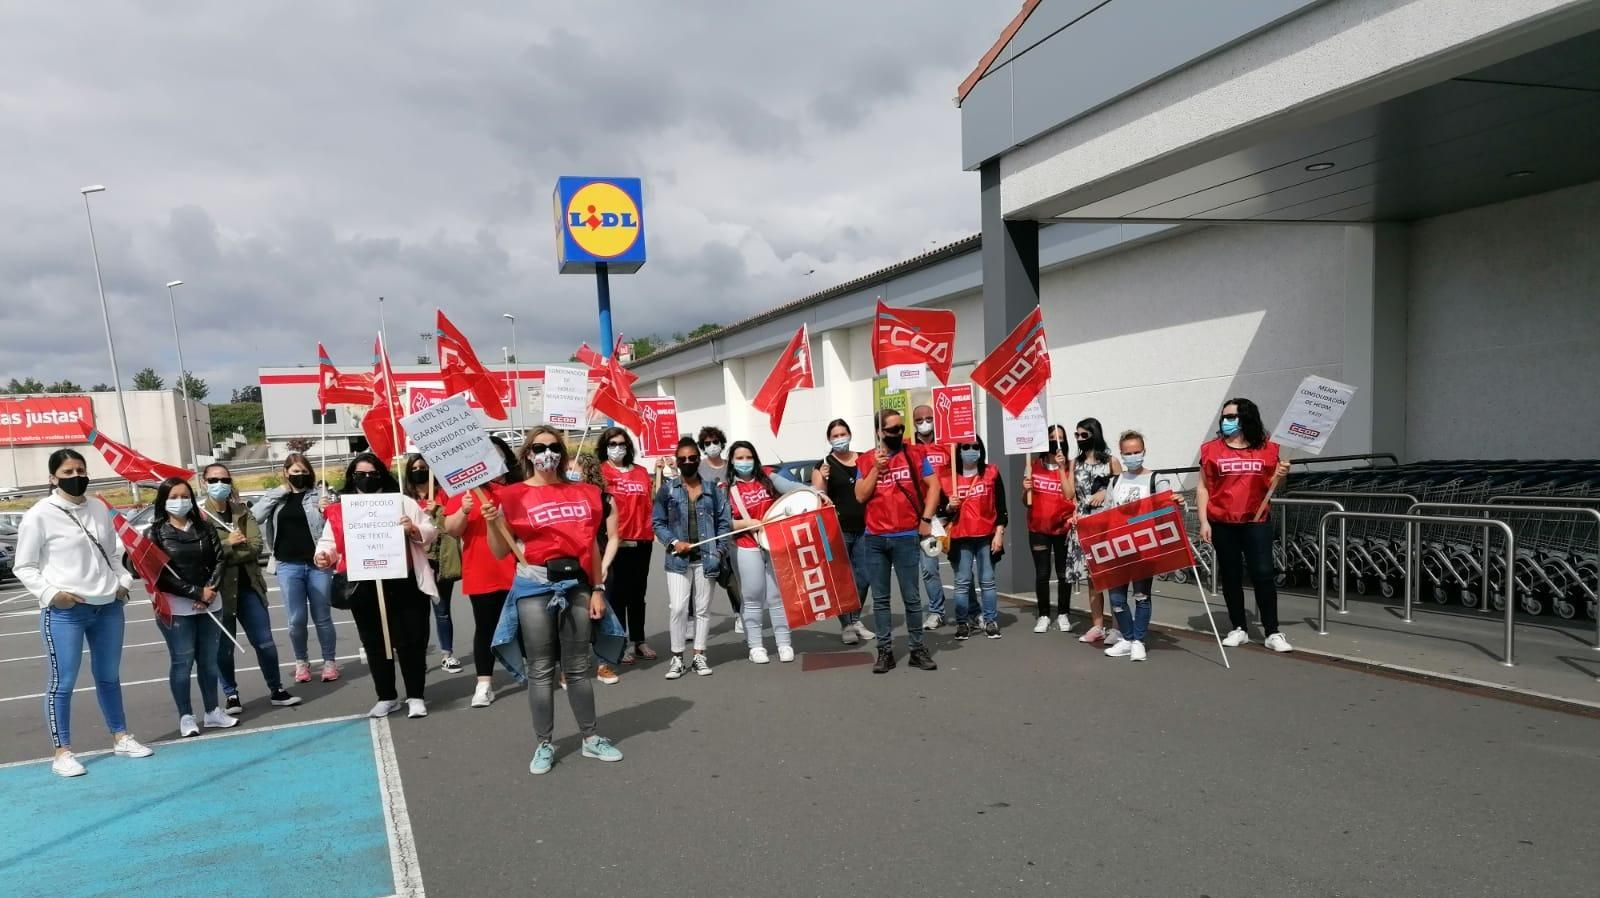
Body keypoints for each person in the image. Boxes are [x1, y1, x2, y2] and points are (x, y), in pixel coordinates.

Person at [485, 426, 623, 775]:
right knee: (541, 670)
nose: (547, 452)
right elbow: (501, 550)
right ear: (527, 454)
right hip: (533, 586)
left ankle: (590, 738)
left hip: (575, 583)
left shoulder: (585, 492)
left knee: (578, 667)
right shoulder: (512, 495)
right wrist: (493, 523)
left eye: (553, 446)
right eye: (538, 447)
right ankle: (544, 743)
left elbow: (590, 546)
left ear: (562, 452)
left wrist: (597, 589)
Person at [14, 449, 154, 777]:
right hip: (66, 611)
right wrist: (53, 595)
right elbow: (24, 565)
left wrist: (122, 582)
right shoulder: (39, 514)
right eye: (67, 471)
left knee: (109, 676)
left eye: (80, 469)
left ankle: (121, 736)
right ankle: (62, 752)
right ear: (52, 478)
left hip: (108, 606)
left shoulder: (98, 508)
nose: (76, 476)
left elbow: (115, 551)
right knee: (62, 683)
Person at [315, 454, 439, 719]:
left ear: (382, 474)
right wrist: (323, 555)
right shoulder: (341, 511)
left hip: (405, 582)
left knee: (412, 640)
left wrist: (414, 529)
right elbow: (329, 543)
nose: (367, 479)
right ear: (351, 478)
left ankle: (416, 695)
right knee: (375, 642)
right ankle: (387, 696)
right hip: (363, 585)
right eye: (360, 474)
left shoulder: (403, 503)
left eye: (372, 474)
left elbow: (431, 530)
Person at [200, 463, 299, 713]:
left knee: (264, 642)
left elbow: (255, 547)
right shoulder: (200, 517)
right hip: (219, 591)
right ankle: (231, 694)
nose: (219, 484)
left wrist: (224, 549)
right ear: (203, 482)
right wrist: (230, 542)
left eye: (223, 479)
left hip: (249, 587)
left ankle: (276, 689)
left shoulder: (242, 512)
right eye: (213, 480)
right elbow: (203, 554)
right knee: (224, 648)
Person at [143, 476, 238, 737]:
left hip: (210, 603)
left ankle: (213, 712)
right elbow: (159, 574)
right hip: (176, 608)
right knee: (182, 661)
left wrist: (209, 591)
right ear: (163, 501)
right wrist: (194, 592)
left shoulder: (205, 527)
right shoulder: (154, 533)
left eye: (184, 496)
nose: (180, 501)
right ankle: (186, 716)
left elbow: (220, 560)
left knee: (208, 661)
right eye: (173, 497)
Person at [1198, 398, 1294, 653]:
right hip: (1222, 522)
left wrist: (1281, 476)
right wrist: (1203, 521)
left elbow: (1275, 486)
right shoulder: (1211, 450)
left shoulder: (1269, 449)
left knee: (1263, 574)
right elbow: (1203, 487)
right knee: (1230, 576)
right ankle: (1238, 627)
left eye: (1232, 416)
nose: (1226, 421)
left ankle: (1272, 631)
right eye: (1224, 416)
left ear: (1247, 418)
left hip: (1256, 521)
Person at [855, 409, 941, 674]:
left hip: (906, 535)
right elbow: (860, 495)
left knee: (912, 598)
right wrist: (875, 471)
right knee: (881, 599)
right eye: (892, 430)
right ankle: (885, 651)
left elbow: (934, 486)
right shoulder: (866, 459)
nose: (898, 434)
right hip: (876, 538)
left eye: (901, 429)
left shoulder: (915, 454)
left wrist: (926, 518)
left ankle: (916, 649)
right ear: (879, 431)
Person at [443, 437, 520, 708]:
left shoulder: (519, 488)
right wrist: (464, 511)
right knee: (486, 627)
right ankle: (484, 684)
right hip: (482, 569)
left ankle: (538, 671)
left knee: (530, 624)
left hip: (521, 567)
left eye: (496, 453)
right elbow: (452, 530)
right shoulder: (465, 491)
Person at [726, 440, 815, 664]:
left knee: (777, 596)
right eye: (739, 458)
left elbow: (795, 490)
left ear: (755, 459)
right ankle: (755, 645)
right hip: (745, 544)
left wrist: (815, 494)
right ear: (732, 461)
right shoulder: (725, 488)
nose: (744, 462)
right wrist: (745, 524)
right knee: (752, 596)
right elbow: (723, 522)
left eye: (749, 457)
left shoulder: (768, 476)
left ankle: (784, 642)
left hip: (774, 542)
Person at [254, 452, 339, 683]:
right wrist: (280, 491)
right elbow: (256, 516)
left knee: (322, 616)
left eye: (303, 472)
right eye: (295, 472)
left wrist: (327, 509)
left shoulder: (318, 496)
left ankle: (329, 661)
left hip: (317, 564)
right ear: (286, 472)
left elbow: (333, 527)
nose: (300, 476)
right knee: (296, 619)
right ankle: (302, 661)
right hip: (287, 565)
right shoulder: (276, 497)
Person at [653, 437, 731, 679]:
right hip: (678, 560)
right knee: (677, 608)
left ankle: (699, 654)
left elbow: (724, 524)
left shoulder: (712, 490)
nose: (687, 462)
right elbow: (658, 522)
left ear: (699, 459)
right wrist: (675, 542)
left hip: (707, 558)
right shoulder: (668, 490)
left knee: (703, 610)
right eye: (682, 459)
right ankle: (677, 657)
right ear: (676, 462)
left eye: (692, 458)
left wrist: (719, 551)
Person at [812, 419, 875, 645]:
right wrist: (824, 479)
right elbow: (818, 496)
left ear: (850, 434)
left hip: (866, 527)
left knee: (865, 576)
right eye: (835, 436)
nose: (840, 439)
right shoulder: (824, 464)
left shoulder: (864, 458)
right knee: (840, 579)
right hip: (838, 529)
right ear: (829, 439)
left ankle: (855, 618)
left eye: (843, 434)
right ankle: (846, 624)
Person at [599, 427, 658, 665]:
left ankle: (639, 640)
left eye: (622, 443)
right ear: (605, 447)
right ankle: (619, 642)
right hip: (615, 542)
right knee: (617, 595)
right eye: (612, 444)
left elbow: (650, 503)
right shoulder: (601, 473)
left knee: (638, 594)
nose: (617, 448)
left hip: (642, 540)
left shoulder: (642, 473)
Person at [1103, 432, 1161, 661]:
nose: (1133, 456)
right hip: (1118, 547)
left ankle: (1138, 640)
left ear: (1144, 451)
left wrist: (1177, 501)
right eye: (1128, 453)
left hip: (1144, 546)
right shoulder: (1115, 481)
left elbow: (1166, 503)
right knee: (1117, 599)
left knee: (1141, 596)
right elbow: (1106, 513)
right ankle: (1127, 637)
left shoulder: (1155, 479)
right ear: (1122, 454)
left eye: (1136, 451)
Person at [944, 437, 1008, 640]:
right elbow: (940, 510)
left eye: (975, 447)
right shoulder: (948, 477)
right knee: (962, 582)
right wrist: (949, 506)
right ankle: (963, 623)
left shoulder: (991, 472)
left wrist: (999, 533)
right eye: (966, 447)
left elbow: (1001, 507)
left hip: (987, 536)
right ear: (958, 451)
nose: (971, 450)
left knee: (987, 581)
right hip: (961, 537)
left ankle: (990, 621)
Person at [405, 454, 463, 674]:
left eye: (424, 467)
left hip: (440, 560)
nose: (419, 471)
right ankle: (417, 656)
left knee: (442, 610)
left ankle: (447, 654)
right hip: (415, 561)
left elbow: (452, 524)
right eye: (415, 467)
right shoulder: (405, 498)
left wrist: (437, 510)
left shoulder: (443, 494)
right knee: (417, 613)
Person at [1067, 418, 1123, 646]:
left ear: (1094, 434)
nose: (1080, 439)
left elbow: (1121, 491)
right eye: (1077, 435)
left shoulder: (1111, 462)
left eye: (1084, 435)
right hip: (1083, 523)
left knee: (1111, 576)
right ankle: (1097, 624)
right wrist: (1073, 513)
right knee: (1093, 579)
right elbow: (1070, 495)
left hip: (1106, 524)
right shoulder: (1074, 463)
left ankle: (1119, 626)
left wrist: (1105, 493)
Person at [571, 449, 622, 685]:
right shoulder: (563, 498)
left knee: (601, 613)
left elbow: (613, 536)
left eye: (574, 470)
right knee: (573, 617)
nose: (569, 474)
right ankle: (570, 666)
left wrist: (603, 566)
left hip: (600, 561)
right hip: (571, 565)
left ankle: (604, 664)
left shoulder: (606, 499)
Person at [1025, 426, 1077, 633]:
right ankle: (1044, 614)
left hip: (1063, 528)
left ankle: (1063, 613)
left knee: (1064, 574)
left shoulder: (1069, 465)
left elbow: (1069, 494)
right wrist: (1025, 488)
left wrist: (1061, 467)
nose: (1057, 442)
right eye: (1052, 438)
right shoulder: (1033, 465)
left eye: (1061, 439)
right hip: (1038, 528)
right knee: (1042, 573)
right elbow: (1025, 501)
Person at [908, 404, 954, 629]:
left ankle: (971, 609)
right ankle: (936, 610)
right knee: (928, 568)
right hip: (918, 516)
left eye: (928, 418)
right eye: (919, 419)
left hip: (945, 515)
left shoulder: (948, 446)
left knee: (960, 564)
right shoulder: (908, 448)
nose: (924, 422)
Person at [697, 425, 744, 633]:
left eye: (715, 442)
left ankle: (740, 612)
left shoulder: (731, 467)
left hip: (733, 525)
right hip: (707, 527)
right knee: (708, 572)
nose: (712, 446)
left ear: (722, 443)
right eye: (707, 443)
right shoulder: (698, 467)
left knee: (734, 571)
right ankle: (696, 618)